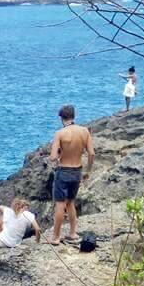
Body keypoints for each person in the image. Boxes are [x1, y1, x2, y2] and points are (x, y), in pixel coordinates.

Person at [49, 105, 95, 246]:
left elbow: (52, 157)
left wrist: (59, 154)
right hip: (77, 171)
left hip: (64, 171)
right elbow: (91, 153)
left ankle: (56, 237)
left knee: (60, 204)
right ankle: (73, 233)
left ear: (61, 118)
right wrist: (88, 171)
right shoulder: (84, 131)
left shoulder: (60, 133)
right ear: (74, 116)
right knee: (70, 203)